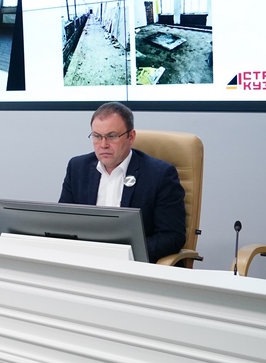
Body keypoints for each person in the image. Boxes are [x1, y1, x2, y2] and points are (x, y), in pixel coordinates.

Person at [59, 102, 186, 262]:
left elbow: (172, 237)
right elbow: (63, 224)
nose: (103, 145)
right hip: (86, 261)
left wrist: (121, 254)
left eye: (112, 136)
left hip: (133, 264)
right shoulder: (78, 168)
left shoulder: (160, 174)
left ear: (130, 137)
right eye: (97, 136)